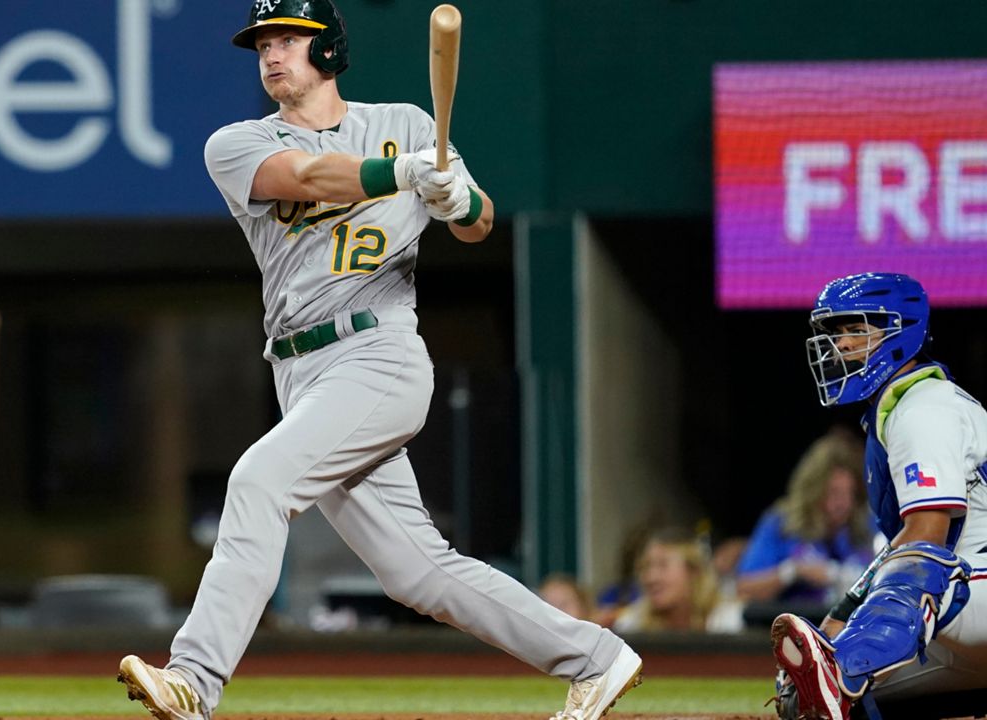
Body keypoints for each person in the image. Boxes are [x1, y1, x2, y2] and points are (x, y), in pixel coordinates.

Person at [114, 2, 642, 719]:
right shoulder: (237, 143)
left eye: (290, 41)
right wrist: (397, 174)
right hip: (300, 373)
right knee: (417, 573)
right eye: (263, 43)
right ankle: (597, 657)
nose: (272, 55)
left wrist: (456, 197)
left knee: (259, 482)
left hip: (378, 353)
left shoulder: (408, 124)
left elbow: (480, 223)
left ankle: (194, 681)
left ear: (328, 48)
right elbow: (307, 176)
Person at [770, 272, 987, 720]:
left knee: (922, 563)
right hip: (969, 607)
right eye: (837, 333)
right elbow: (906, 540)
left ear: (900, 332)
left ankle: (845, 669)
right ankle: (841, 679)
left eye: (857, 330)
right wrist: (842, 611)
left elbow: (927, 533)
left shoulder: (923, 408)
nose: (842, 345)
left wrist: (845, 644)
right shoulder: (901, 407)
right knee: (822, 708)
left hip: (977, 590)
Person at [735, 430, 875, 606]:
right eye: (834, 493)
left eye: (849, 494)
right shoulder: (781, 523)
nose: (843, 504)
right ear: (813, 491)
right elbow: (744, 589)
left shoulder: (867, 528)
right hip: (790, 628)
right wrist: (793, 571)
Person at [612, 527, 744, 634]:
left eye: (663, 565)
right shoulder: (632, 625)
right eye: (646, 567)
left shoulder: (730, 621)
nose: (651, 577)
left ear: (694, 571)